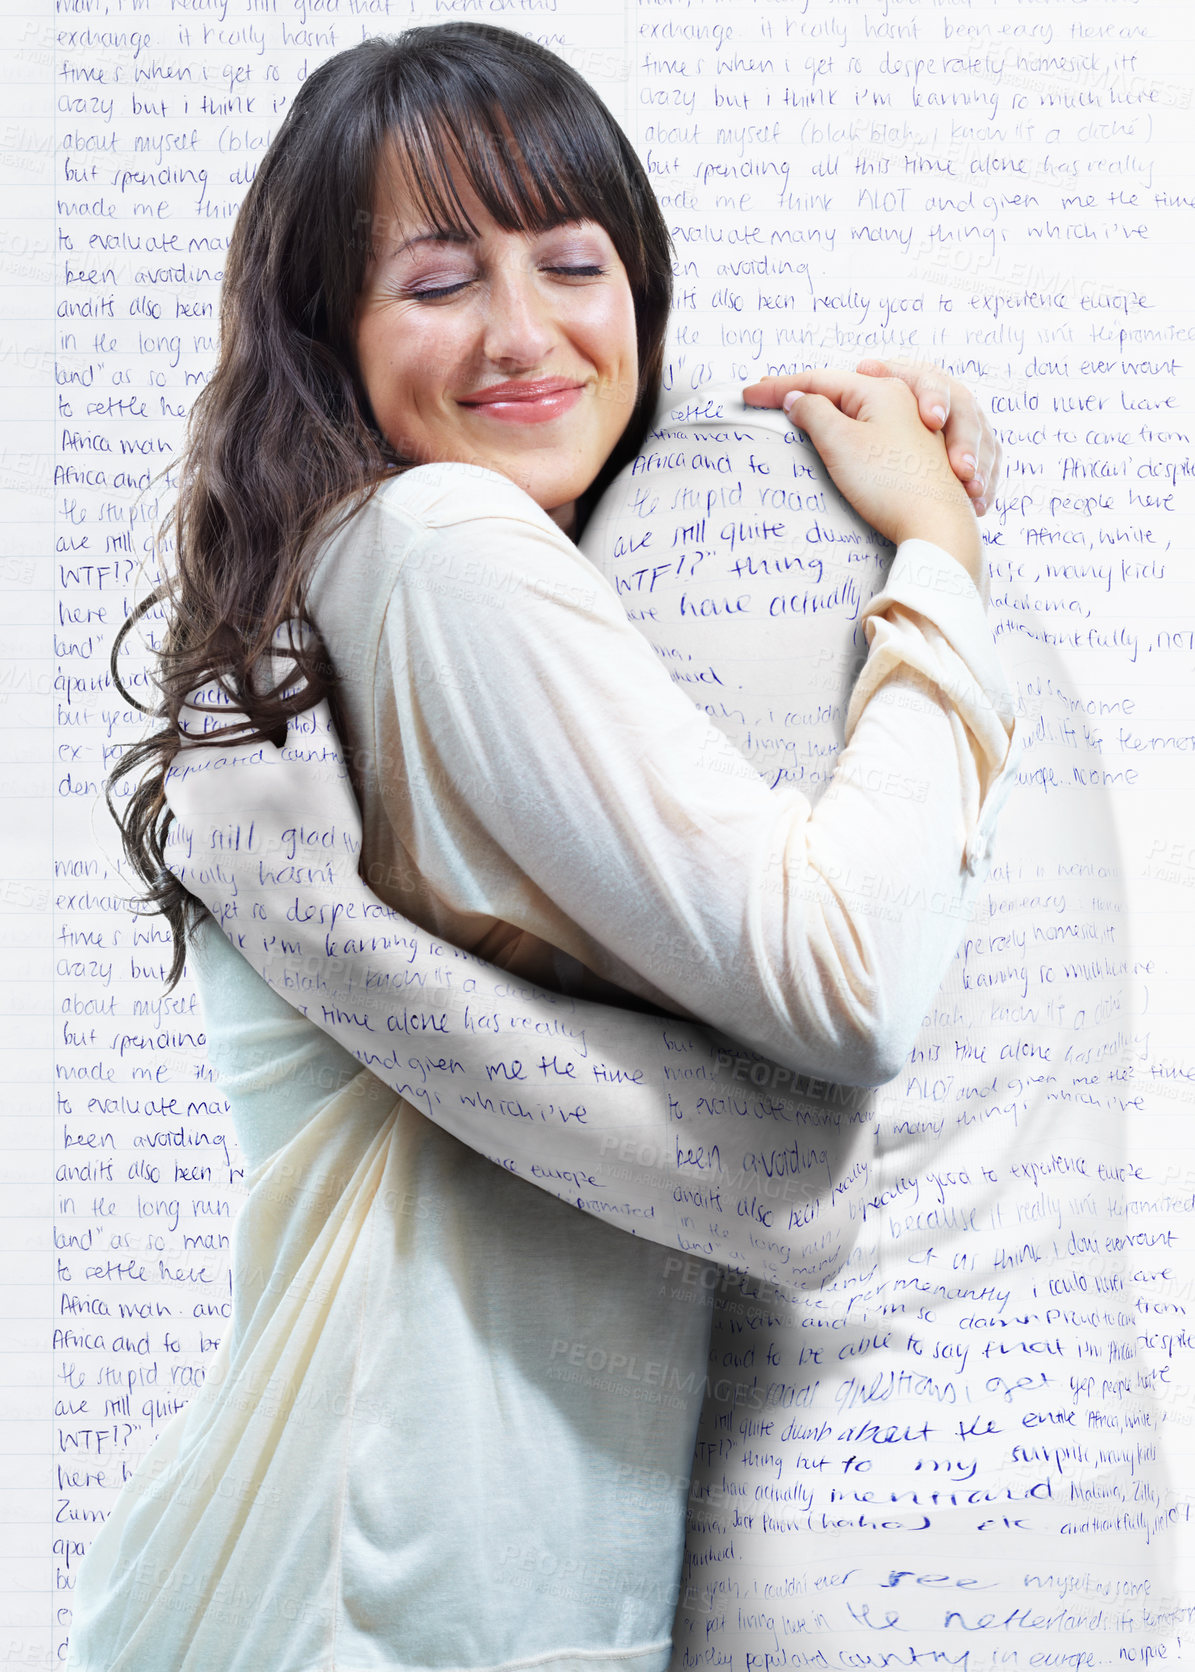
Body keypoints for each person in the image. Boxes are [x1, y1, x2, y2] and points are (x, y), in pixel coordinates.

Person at [75, 24, 1022, 1672]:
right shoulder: (446, 549)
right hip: (390, 1593)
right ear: (333, 333)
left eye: (575, 263)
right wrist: (937, 561)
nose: (526, 331)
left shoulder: (385, 583)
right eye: (437, 281)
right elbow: (845, 983)